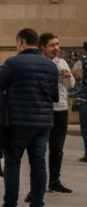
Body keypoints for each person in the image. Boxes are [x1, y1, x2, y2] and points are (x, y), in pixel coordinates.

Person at [0, 28, 59, 207]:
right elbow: (55, 96)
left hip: (17, 123)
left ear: (21, 42)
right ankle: (37, 202)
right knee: (38, 163)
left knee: (12, 162)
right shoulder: (51, 66)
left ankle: (10, 203)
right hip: (43, 122)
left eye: (17, 43)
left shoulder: (13, 63)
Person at [39, 32, 75, 194]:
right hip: (44, 109)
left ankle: (55, 180)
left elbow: (71, 85)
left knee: (57, 148)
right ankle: (38, 184)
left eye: (57, 44)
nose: (56, 48)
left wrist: (67, 77)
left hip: (61, 109)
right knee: (39, 148)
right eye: (52, 45)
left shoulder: (62, 62)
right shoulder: (39, 63)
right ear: (43, 47)